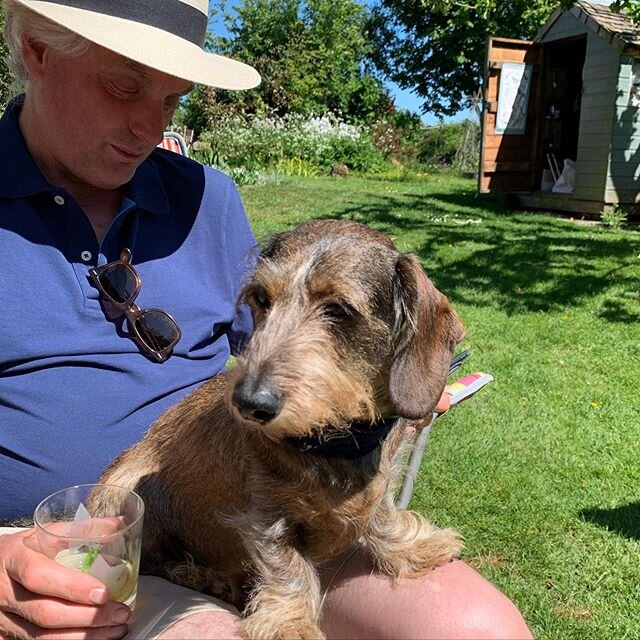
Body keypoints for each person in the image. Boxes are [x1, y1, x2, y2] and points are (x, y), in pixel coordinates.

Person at [0, 1, 534, 638]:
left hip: (275, 512)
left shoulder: (208, 198)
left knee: (476, 626)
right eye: (124, 86)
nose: (149, 128)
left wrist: (390, 381)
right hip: (56, 552)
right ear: (37, 50)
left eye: (174, 100)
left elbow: (280, 355)